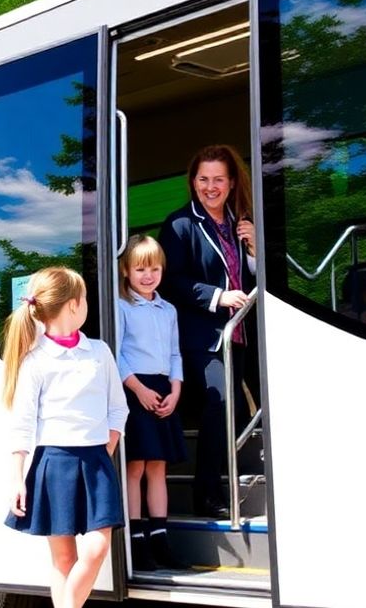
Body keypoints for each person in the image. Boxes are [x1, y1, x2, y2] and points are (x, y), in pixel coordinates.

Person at [3, 266, 129, 608]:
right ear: (73, 305)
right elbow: (22, 423)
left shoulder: (99, 352)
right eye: (86, 297)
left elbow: (118, 409)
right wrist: (17, 478)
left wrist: (107, 449)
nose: (88, 303)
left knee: (97, 547)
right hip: (54, 463)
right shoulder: (35, 360)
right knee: (62, 560)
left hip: (97, 461)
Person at [157, 144, 261, 519]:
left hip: (241, 334)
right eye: (203, 179)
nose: (210, 186)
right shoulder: (180, 224)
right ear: (193, 182)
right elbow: (169, 282)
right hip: (203, 337)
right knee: (218, 406)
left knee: (237, 409)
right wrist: (218, 296)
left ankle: (220, 487)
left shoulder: (241, 223)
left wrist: (253, 248)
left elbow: (252, 276)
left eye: (218, 179)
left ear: (232, 183)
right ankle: (207, 495)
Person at [115, 235, 190, 571]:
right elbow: (115, 355)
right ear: (126, 271)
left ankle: (161, 538)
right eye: (140, 269)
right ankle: (138, 542)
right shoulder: (121, 306)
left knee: (158, 466)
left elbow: (175, 353)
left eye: (155, 269)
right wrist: (138, 390)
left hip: (163, 389)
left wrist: (175, 390)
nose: (148, 275)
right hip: (134, 388)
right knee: (136, 467)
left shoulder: (168, 309)